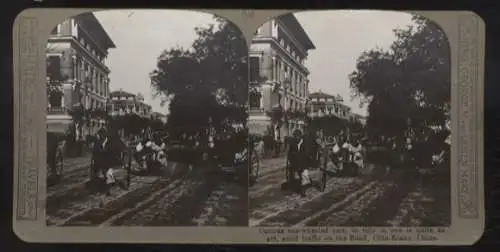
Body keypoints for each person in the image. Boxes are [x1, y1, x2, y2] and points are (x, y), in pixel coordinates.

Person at [287, 129, 310, 197]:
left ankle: (303, 191)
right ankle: (293, 186)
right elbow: (289, 154)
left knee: (304, 174)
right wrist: (292, 161)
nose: (297, 138)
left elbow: (307, 153)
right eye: (295, 136)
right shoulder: (292, 143)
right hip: (295, 162)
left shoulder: (305, 142)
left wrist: (300, 155)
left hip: (303, 162)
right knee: (291, 172)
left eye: (298, 136)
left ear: (300, 136)